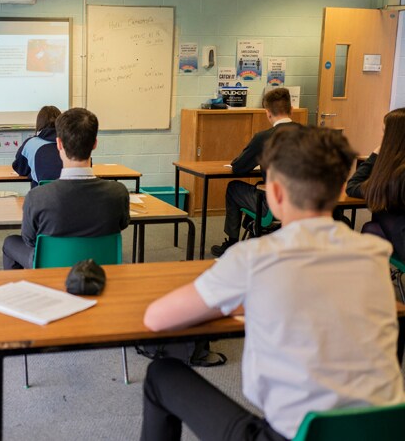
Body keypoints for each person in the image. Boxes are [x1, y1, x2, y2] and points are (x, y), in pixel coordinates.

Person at [141, 126, 405, 441]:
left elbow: (155, 319)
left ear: (275, 193)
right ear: (339, 191)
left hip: (289, 436)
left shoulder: (253, 258)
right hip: (384, 432)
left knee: (162, 374)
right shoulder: (374, 253)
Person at [2, 108, 130, 269]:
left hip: (50, 266)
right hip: (98, 268)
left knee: (10, 242)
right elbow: (122, 225)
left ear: (59, 144)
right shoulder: (118, 193)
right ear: (95, 143)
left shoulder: (37, 197)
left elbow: (30, 240)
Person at [211, 87, 297, 257]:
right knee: (258, 186)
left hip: (274, 204)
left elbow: (239, 168)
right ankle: (254, 230)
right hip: (306, 203)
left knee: (234, 188)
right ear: (291, 109)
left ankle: (232, 243)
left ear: (268, 113)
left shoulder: (264, 138)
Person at [346, 107, 405, 260]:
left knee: (375, 221)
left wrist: (376, 153)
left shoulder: (396, 176)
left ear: (393, 138)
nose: (381, 136)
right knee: (371, 227)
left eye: (385, 132)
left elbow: (352, 187)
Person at [12, 105, 63, 187]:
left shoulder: (30, 143)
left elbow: (20, 169)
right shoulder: (71, 142)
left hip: (41, 196)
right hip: (71, 195)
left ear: (39, 123)